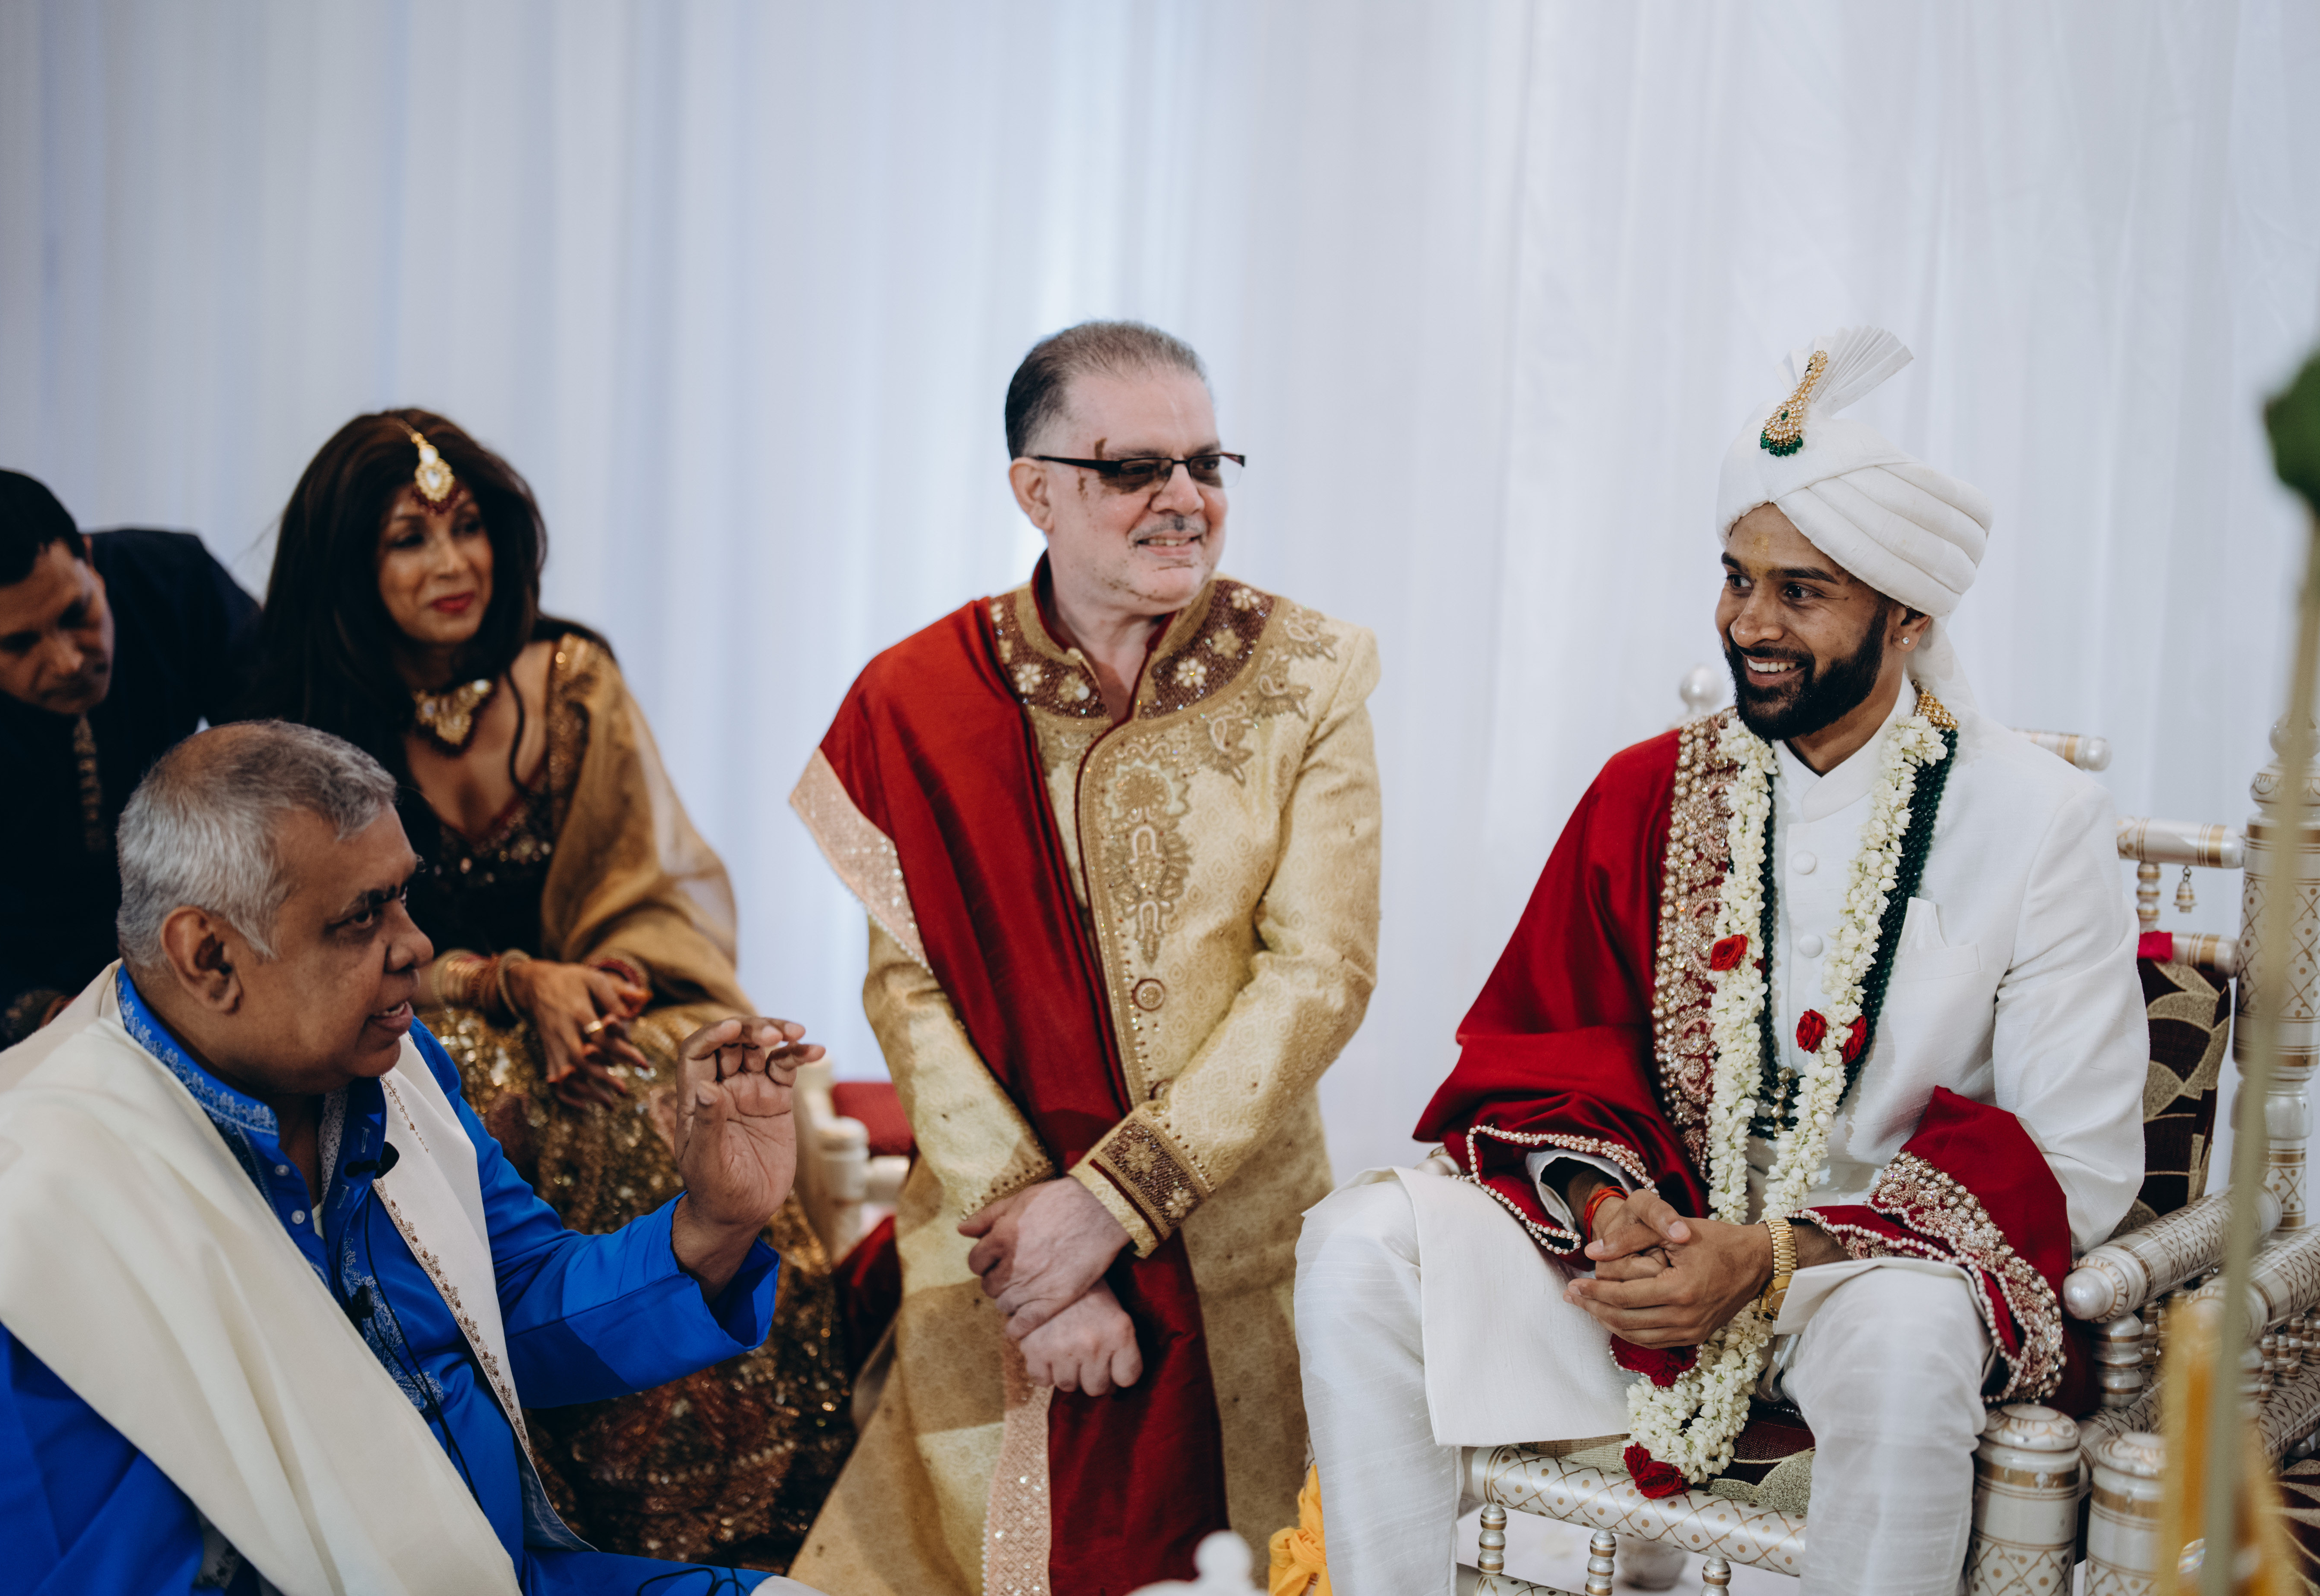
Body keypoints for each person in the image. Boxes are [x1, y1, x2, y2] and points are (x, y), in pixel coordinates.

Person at [1294, 327, 2147, 1596]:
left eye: (1800, 591)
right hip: (1640, 1273)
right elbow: (1544, 1044)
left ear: (1908, 615)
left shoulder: (2034, 821)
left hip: (1861, 1280)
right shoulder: (1648, 786)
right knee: (1358, 1242)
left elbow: (2070, 1160)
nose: (1750, 621)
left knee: (1910, 1340)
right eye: (1736, 578)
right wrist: (1605, 1212)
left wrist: (1769, 1255)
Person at [0, 720, 827, 1595]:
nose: (418, 946)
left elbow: (502, 1306)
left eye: (403, 895)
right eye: (362, 916)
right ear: (209, 957)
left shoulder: (383, 1066)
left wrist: (712, 1224)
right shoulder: (32, 1230)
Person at [786, 321, 1382, 1596]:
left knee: (1240, 1563)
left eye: (1205, 463)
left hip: (1234, 1246)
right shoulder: (914, 700)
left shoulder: (1308, 674)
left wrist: (1107, 1205)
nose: (1184, 498)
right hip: (997, 1253)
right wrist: (1041, 1261)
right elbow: (908, 989)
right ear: (1035, 491)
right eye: (1133, 468)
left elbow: (1320, 973)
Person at [237, 410, 850, 1569]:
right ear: (348, 564)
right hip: (410, 1016)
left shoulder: (570, 680)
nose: (452, 562)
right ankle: (541, 1501)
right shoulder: (298, 726)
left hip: (595, 996)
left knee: (662, 1083)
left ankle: (737, 1506)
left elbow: (649, 889)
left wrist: (596, 990)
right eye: (408, 539)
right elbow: (309, 948)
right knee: (471, 1085)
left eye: (468, 526)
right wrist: (509, 984)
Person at [0, 464, 257, 1107]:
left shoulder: (174, 580)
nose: (69, 660)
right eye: (19, 643)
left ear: (86, 557)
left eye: (76, 613)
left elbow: (290, 752)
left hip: (184, 942)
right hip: (4, 1005)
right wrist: (64, 1020)